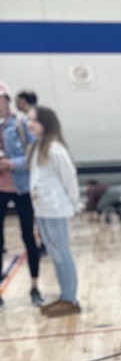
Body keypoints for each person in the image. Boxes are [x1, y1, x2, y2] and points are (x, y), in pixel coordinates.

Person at [28, 106, 81, 317]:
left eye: (34, 120)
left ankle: (71, 298)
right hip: (43, 210)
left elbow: (70, 179)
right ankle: (64, 295)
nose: (30, 123)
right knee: (54, 254)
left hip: (56, 209)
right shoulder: (38, 146)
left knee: (62, 254)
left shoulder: (55, 149)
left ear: (45, 123)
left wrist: (74, 203)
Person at [0, 81, 43, 308]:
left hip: (21, 187)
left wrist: (12, 163)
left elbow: (33, 153)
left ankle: (35, 286)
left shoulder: (20, 123)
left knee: (29, 236)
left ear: (7, 100)